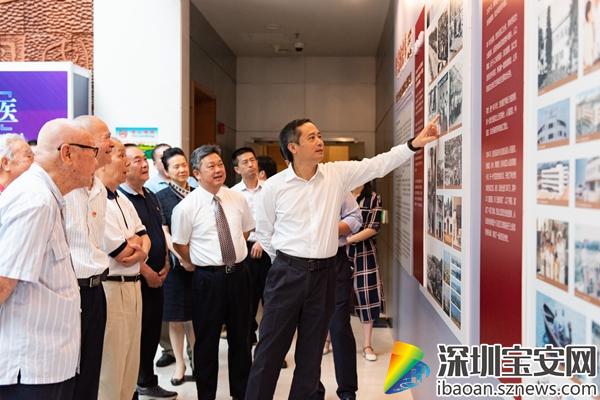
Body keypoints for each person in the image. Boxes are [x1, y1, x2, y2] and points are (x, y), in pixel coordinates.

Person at [246, 116, 438, 399]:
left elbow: (377, 164)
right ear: (293, 147)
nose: (319, 141)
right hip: (286, 274)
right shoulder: (274, 187)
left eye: (319, 135)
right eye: (311, 137)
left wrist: (413, 145)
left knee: (311, 354)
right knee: (269, 350)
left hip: (325, 274)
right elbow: (265, 233)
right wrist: (289, 263)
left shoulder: (336, 175)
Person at [0, 118, 98, 399]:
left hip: (48, 361)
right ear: (67, 153)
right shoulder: (36, 200)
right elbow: (3, 282)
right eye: (92, 151)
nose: (97, 161)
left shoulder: (48, 196)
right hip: (30, 367)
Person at [171, 145, 254, 400]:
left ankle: (241, 394)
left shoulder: (237, 198)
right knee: (206, 342)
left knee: (242, 339)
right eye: (211, 166)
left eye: (220, 164)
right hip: (208, 279)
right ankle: (206, 395)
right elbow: (179, 244)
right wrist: (199, 262)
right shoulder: (186, 207)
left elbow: (245, 231)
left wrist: (231, 255)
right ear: (196, 173)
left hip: (239, 275)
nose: (218, 170)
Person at [120, 144, 177, 399]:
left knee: (152, 332)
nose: (144, 164)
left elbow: (158, 232)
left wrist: (165, 263)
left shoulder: (150, 195)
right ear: (123, 165)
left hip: (159, 275)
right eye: (136, 160)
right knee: (136, 336)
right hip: (137, 279)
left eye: (144, 159)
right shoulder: (122, 199)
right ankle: (135, 384)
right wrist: (146, 272)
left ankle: (147, 380)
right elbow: (125, 245)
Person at [64, 115, 113, 400]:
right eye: (106, 137)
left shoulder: (99, 188)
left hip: (96, 290)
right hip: (70, 291)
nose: (111, 144)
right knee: (68, 373)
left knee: (92, 370)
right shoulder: (63, 187)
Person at [97, 139, 150, 400]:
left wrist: (137, 246)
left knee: (130, 364)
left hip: (133, 285)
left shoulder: (122, 198)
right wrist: (135, 245)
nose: (127, 162)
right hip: (111, 286)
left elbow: (144, 237)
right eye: (120, 155)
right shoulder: (96, 199)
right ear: (103, 158)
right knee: (112, 366)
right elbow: (122, 252)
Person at [146, 143, 197, 368]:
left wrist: (194, 259)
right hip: (177, 264)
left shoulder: (198, 194)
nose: (182, 169)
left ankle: (196, 360)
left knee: (195, 316)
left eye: (184, 164)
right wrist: (183, 257)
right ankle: (179, 365)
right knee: (175, 317)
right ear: (166, 171)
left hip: (200, 261)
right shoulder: (160, 197)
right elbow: (165, 232)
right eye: (176, 166)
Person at [319, 192, 363, 400]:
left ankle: (347, 390)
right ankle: (312, 389)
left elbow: (355, 218)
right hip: (300, 262)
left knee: (339, 326)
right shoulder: (284, 185)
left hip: (335, 260)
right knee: (310, 329)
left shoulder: (336, 184)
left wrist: (329, 229)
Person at [231, 147, 271, 346]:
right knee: (246, 300)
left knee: (270, 300)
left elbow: (279, 219)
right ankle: (247, 342)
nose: (251, 165)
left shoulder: (270, 188)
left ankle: (269, 347)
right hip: (244, 250)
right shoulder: (232, 194)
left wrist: (263, 242)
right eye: (245, 162)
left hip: (269, 249)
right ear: (237, 169)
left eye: (253, 160)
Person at [346, 181, 384, 362]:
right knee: (333, 297)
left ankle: (367, 345)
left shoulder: (374, 198)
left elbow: (374, 227)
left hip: (365, 252)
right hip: (340, 253)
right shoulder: (341, 194)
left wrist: (349, 239)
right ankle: (328, 340)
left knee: (367, 297)